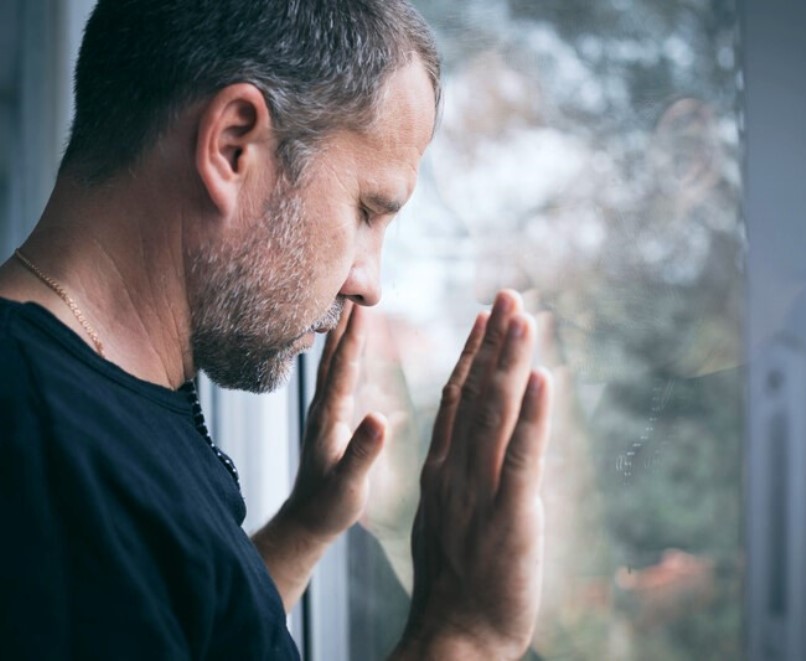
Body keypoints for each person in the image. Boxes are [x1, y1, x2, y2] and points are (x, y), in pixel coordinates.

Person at [0, 1, 552, 658]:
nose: (368, 281)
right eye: (367, 210)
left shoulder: (80, 419)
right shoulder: (44, 459)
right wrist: (464, 632)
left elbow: (171, 617)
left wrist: (306, 527)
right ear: (234, 146)